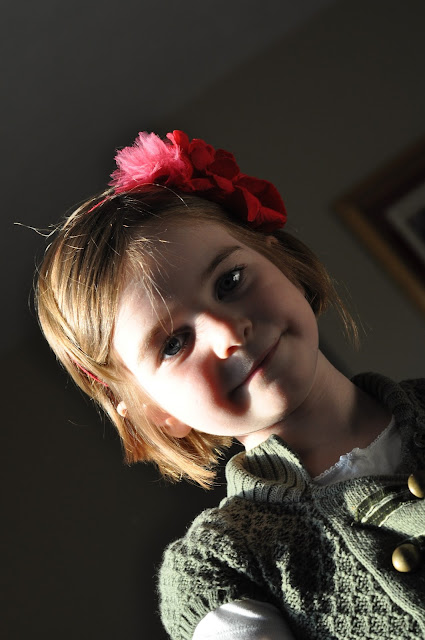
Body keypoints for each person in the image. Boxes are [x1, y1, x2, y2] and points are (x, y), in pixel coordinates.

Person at [36, 130, 425, 640]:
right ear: (155, 410)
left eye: (230, 282)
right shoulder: (221, 568)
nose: (227, 333)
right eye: (174, 343)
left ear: (284, 265)